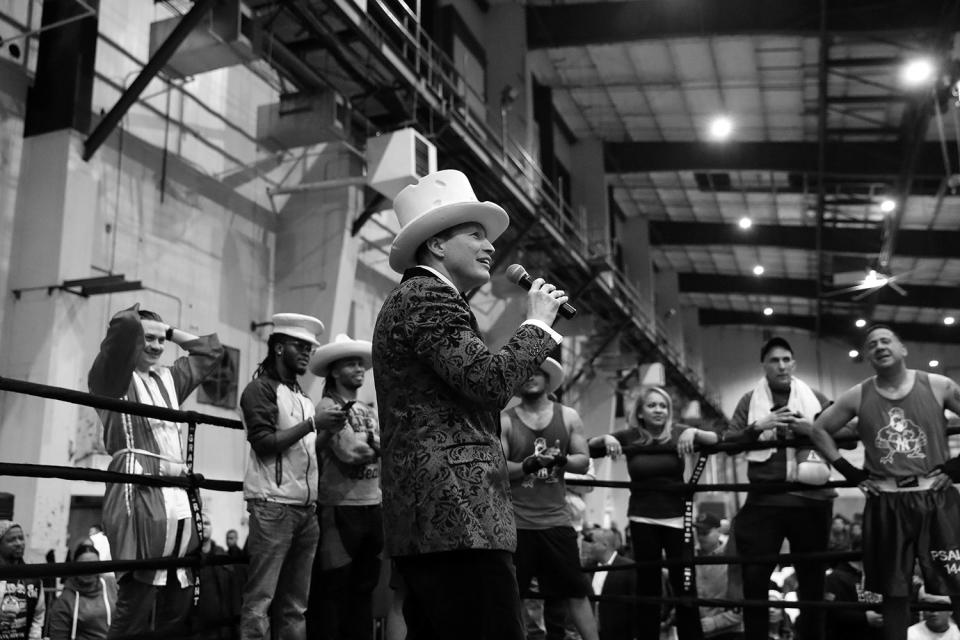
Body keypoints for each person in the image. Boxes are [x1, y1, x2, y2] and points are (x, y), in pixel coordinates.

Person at [372, 169, 568, 640]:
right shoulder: (429, 299)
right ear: (437, 245)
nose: (490, 246)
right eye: (475, 234)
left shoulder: (420, 298)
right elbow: (488, 382)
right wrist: (537, 326)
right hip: (458, 516)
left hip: (438, 518)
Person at [798, 325, 960, 640]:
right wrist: (849, 470)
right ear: (868, 356)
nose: (879, 347)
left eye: (886, 341)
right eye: (872, 344)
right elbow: (819, 430)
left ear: (903, 348)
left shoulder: (937, 385)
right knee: (893, 593)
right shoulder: (859, 394)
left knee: (957, 585)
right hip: (886, 501)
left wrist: (958, 466)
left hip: (936, 497)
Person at [87, 304, 223, 638]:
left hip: (177, 493)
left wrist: (170, 332)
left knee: (177, 604)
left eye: (161, 341)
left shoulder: (168, 379)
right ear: (133, 341)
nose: (157, 347)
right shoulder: (112, 377)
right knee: (136, 604)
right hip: (138, 490)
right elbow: (121, 327)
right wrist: (139, 325)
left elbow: (211, 351)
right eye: (148, 338)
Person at [239, 313, 348, 640]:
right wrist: (315, 423)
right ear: (279, 348)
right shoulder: (259, 390)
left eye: (310, 348)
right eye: (299, 346)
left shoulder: (300, 397)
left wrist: (329, 429)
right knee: (261, 601)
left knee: (295, 605)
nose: (306, 353)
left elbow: (307, 449)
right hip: (272, 506)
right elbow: (263, 446)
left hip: (304, 510)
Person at [722, 336, 833, 640]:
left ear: (794, 363)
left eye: (786, 359)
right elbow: (729, 444)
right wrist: (759, 425)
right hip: (765, 499)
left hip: (812, 499)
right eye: (774, 360)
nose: (781, 365)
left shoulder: (816, 398)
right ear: (764, 366)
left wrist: (811, 429)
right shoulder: (749, 401)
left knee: (812, 584)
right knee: (755, 580)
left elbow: (846, 435)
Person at [588, 386, 717, 640]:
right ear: (641, 412)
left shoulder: (679, 432)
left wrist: (693, 430)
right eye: (652, 405)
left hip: (678, 518)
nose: (659, 410)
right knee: (648, 586)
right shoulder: (630, 435)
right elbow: (589, 447)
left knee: (684, 586)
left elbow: (715, 440)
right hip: (642, 518)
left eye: (663, 406)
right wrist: (607, 439)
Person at [501, 358, 598, 640]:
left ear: (547, 379)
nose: (529, 377)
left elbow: (583, 462)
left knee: (576, 593)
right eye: (524, 372)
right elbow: (499, 468)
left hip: (557, 522)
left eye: (535, 372)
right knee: (512, 597)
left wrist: (560, 459)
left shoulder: (568, 416)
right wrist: (529, 465)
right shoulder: (506, 419)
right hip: (517, 525)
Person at [307, 334, 382, 640]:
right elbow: (351, 453)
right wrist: (376, 444)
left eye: (360, 364)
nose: (359, 369)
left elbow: (368, 447)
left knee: (365, 588)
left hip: (371, 505)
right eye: (350, 364)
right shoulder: (328, 405)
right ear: (335, 371)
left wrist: (368, 442)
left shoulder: (366, 409)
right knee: (335, 590)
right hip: (340, 509)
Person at [46, 543, 118, 640]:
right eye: (83, 566)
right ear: (75, 567)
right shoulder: (64, 601)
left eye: (94, 566)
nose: (89, 571)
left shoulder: (111, 585)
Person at [580, 528, 637, 640]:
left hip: (620, 634)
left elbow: (635, 605)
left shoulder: (628, 567)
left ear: (604, 545)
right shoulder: (589, 568)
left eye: (592, 542)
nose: (588, 546)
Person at [823, 536, 883, 640]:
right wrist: (864, 618)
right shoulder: (834, 578)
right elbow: (830, 612)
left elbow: (864, 597)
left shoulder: (868, 577)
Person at [694, 513, 742, 640]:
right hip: (700, 631)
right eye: (699, 532)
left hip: (729, 632)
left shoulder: (731, 559)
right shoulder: (691, 558)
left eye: (705, 532)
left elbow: (741, 604)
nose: (701, 537)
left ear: (718, 531)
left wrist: (715, 623)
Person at [193, 515, 240, 640]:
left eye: (207, 523)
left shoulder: (221, 555)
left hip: (219, 626)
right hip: (194, 626)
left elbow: (233, 593)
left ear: (211, 528)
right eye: (200, 523)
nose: (203, 526)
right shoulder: (187, 557)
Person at [0, 521, 45, 640]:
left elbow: (37, 617)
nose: (19, 543)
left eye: (21, 538)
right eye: (11, 540)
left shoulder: (32, 578)